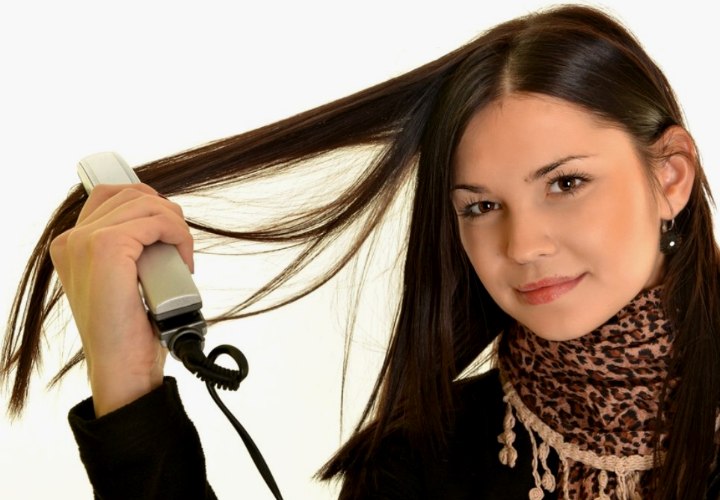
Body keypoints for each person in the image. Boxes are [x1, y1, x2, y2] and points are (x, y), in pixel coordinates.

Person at [2, 3, 719, 499]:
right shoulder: (417, 463)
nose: (523, 244)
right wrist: (128, 383)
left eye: (566, 182)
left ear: (670, 176)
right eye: (480, 206)